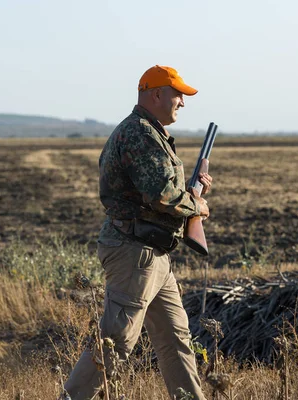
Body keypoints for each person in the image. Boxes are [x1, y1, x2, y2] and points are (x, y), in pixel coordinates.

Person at [64, 65, 212, 399]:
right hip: (135, 254)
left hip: (154, 255)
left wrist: (193, 194)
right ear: (157, 93)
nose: (183, 104)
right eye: (178, 95)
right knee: (115, 342)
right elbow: (162, 195)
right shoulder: (141, 134)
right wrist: (197, 207)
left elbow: (162, 191)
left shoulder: (150, 132)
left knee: (176, 342)